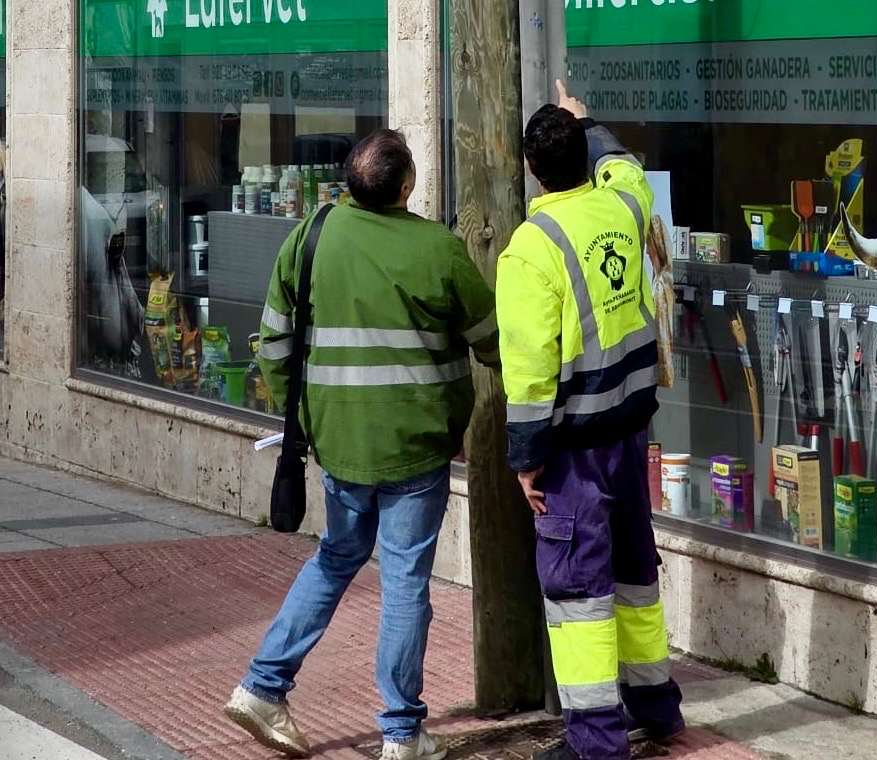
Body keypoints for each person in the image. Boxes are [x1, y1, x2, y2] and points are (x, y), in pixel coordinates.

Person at [224, 129, 499, 760]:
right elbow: (490, 338)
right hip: (417, 447)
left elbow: (271, 343)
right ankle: (401, 734)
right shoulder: (439, 249)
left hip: (341, 446)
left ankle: (263, 686)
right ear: (407, 188)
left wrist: (309, 420)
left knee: (335, 558)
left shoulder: (313, 235)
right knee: (404, 580)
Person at [496, 82, 684, 760]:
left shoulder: (529, 247)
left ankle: (596, 742)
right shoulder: (623, 205)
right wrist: (588, 121)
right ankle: (655, 708)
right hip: (628, 436)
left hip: (573, 450)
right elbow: (626, 167)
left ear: (530, 169)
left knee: (578, 593)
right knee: (635, 574)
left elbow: (527, 368)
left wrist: (524, 458)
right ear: (585, 156)